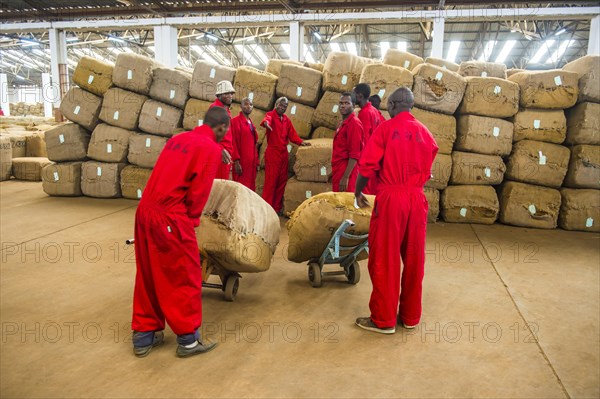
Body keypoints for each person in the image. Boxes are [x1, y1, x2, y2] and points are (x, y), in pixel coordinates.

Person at [131, 107, 230, 358]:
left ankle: (144, 335)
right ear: (221, 128)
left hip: (144, 212)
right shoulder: (211, 150)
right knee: (184, 275)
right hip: (171, 216)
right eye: (225, 131)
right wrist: (193, 221)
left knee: (148, 272)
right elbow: (198, 194)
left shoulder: (178, 139)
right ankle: (188, 340)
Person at [354, 87, 438, 335]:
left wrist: (358, 192)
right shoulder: (425, 133)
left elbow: (367, 166)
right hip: (417, 199)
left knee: (385, 259)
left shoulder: (386, 129)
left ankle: (383, 319)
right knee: (414, 260)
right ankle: (410, 317)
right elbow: (429, 163)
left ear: (391, 105)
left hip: (392, 199)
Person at [261, 97, 310, 214]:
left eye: (285, 107)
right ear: (276, 104)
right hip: (273, 153)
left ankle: (276, 209)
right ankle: (266, 209)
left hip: (283, 154)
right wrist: (266, 124)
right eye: (281, 105)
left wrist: (300, 142)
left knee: (281, 181)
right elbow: (266, 120)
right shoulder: (270, 115)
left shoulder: (286, 120)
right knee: (271, 182)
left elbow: (292, 134)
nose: (282, 108)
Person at [354, 84, 386, 195]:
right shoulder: (374, 111)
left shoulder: (365, 113)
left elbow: (364, 141)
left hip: (367, 164)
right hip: (375, 162)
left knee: (363, 196)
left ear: (359, 95)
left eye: (354, 93)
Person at [332, 92, 364, 193]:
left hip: (347, 172)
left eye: (347, 103)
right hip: (339, 169)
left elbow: (354, 154)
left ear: (354, 105)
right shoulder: (342, 123)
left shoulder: (354, 124)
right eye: (341, 103)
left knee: (344, 204)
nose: (342, 106)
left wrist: (345, 177)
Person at [210, 80, 238, 180]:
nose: (230, 95)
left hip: (226, 154)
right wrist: (220, 149)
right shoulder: (215, 109)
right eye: (226, 93)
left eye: (231, 93)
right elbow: (209, 133)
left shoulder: (226, 110)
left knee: (222, 184)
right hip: (219, 154)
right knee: (217, 185)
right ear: (219, 95)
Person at [231, 97, 259, 190]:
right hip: (242, 163)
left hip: (251, 163)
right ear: (241, 106)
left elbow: (254, 145)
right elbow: (233, 142)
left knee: (250, 189)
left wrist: (257, 162)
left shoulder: (250, 123)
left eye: (251, 104)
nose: (249, 106)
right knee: (241, 188)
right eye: (246, 104)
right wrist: (236, 161)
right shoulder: (236, 122)